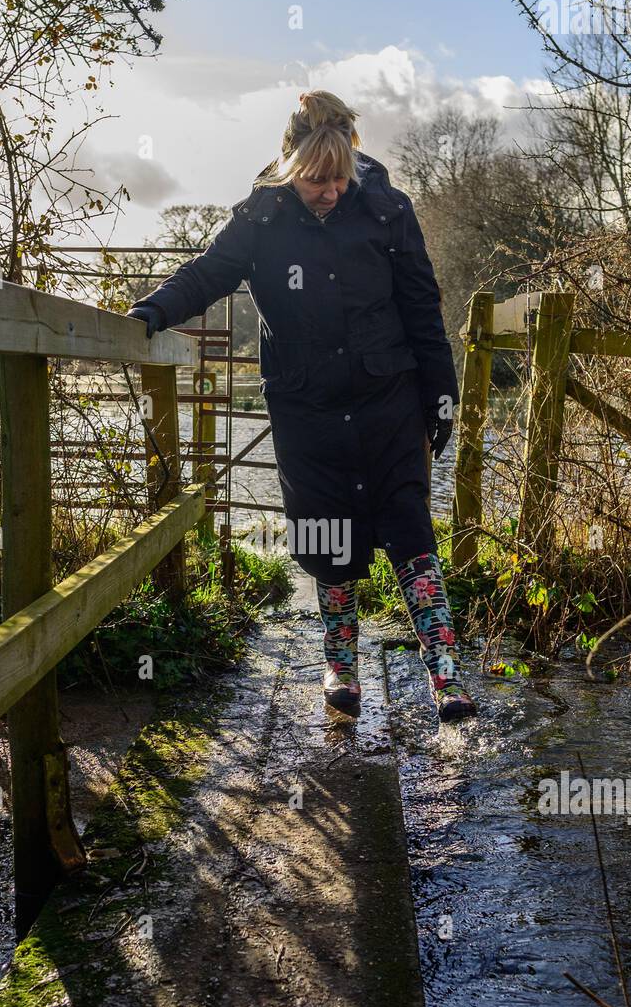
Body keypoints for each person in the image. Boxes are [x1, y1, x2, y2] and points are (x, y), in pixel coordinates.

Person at [128, 90, 477, 722]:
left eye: (339, 179)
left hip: (387, 398)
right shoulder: (262, 217)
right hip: (306, 407)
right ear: (291, 168)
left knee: (409, 528)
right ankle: (341, 665)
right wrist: (153, 310)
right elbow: (209, 273)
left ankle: (445, 673)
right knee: (326, 534)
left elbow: (422, 309)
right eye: (317, 181)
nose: (330, 192)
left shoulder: (389, 211)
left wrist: (441, 396)